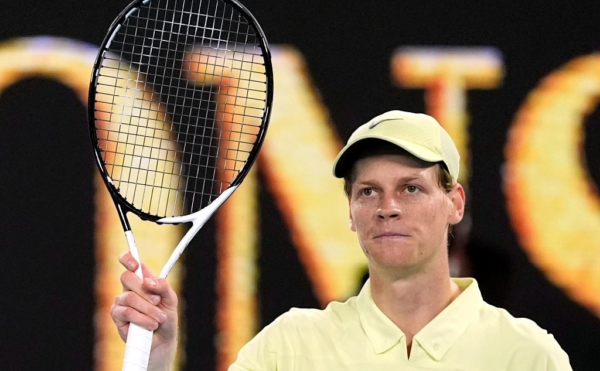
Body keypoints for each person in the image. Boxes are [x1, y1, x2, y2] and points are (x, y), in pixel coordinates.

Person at [112, 110, 572, 370]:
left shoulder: (529, 357)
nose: (386, 206)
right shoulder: (288, 348)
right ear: (351, 212)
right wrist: (155, 361)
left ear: (454, 203)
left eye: (411, 188)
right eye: (368, 191)